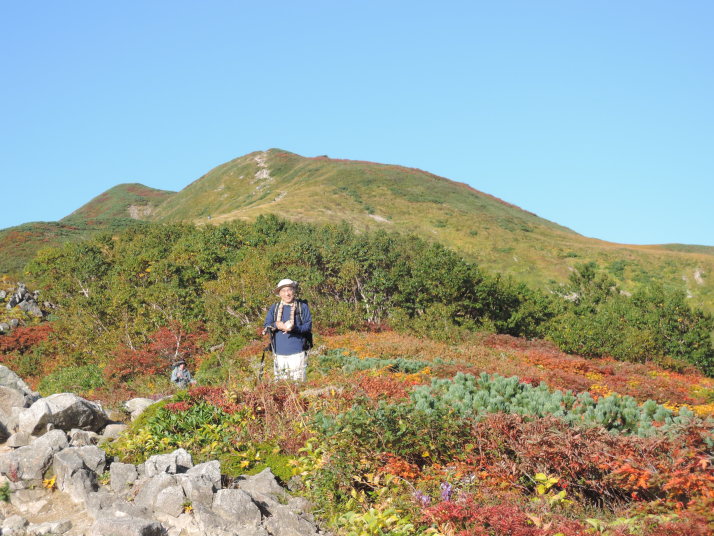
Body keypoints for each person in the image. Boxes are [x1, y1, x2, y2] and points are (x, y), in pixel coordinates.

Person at [263, 278, 312, 381]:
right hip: (279, 355)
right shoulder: (274, 308)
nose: (287, 294)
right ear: (279, 294)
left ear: (294, 291)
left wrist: (294, 328)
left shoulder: (302, 307)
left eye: (289, 290)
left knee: (298, 386)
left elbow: (308, 326)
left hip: (298, 354)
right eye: (283, 291)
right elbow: (267, 325)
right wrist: (277, 325)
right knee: (281, 387)